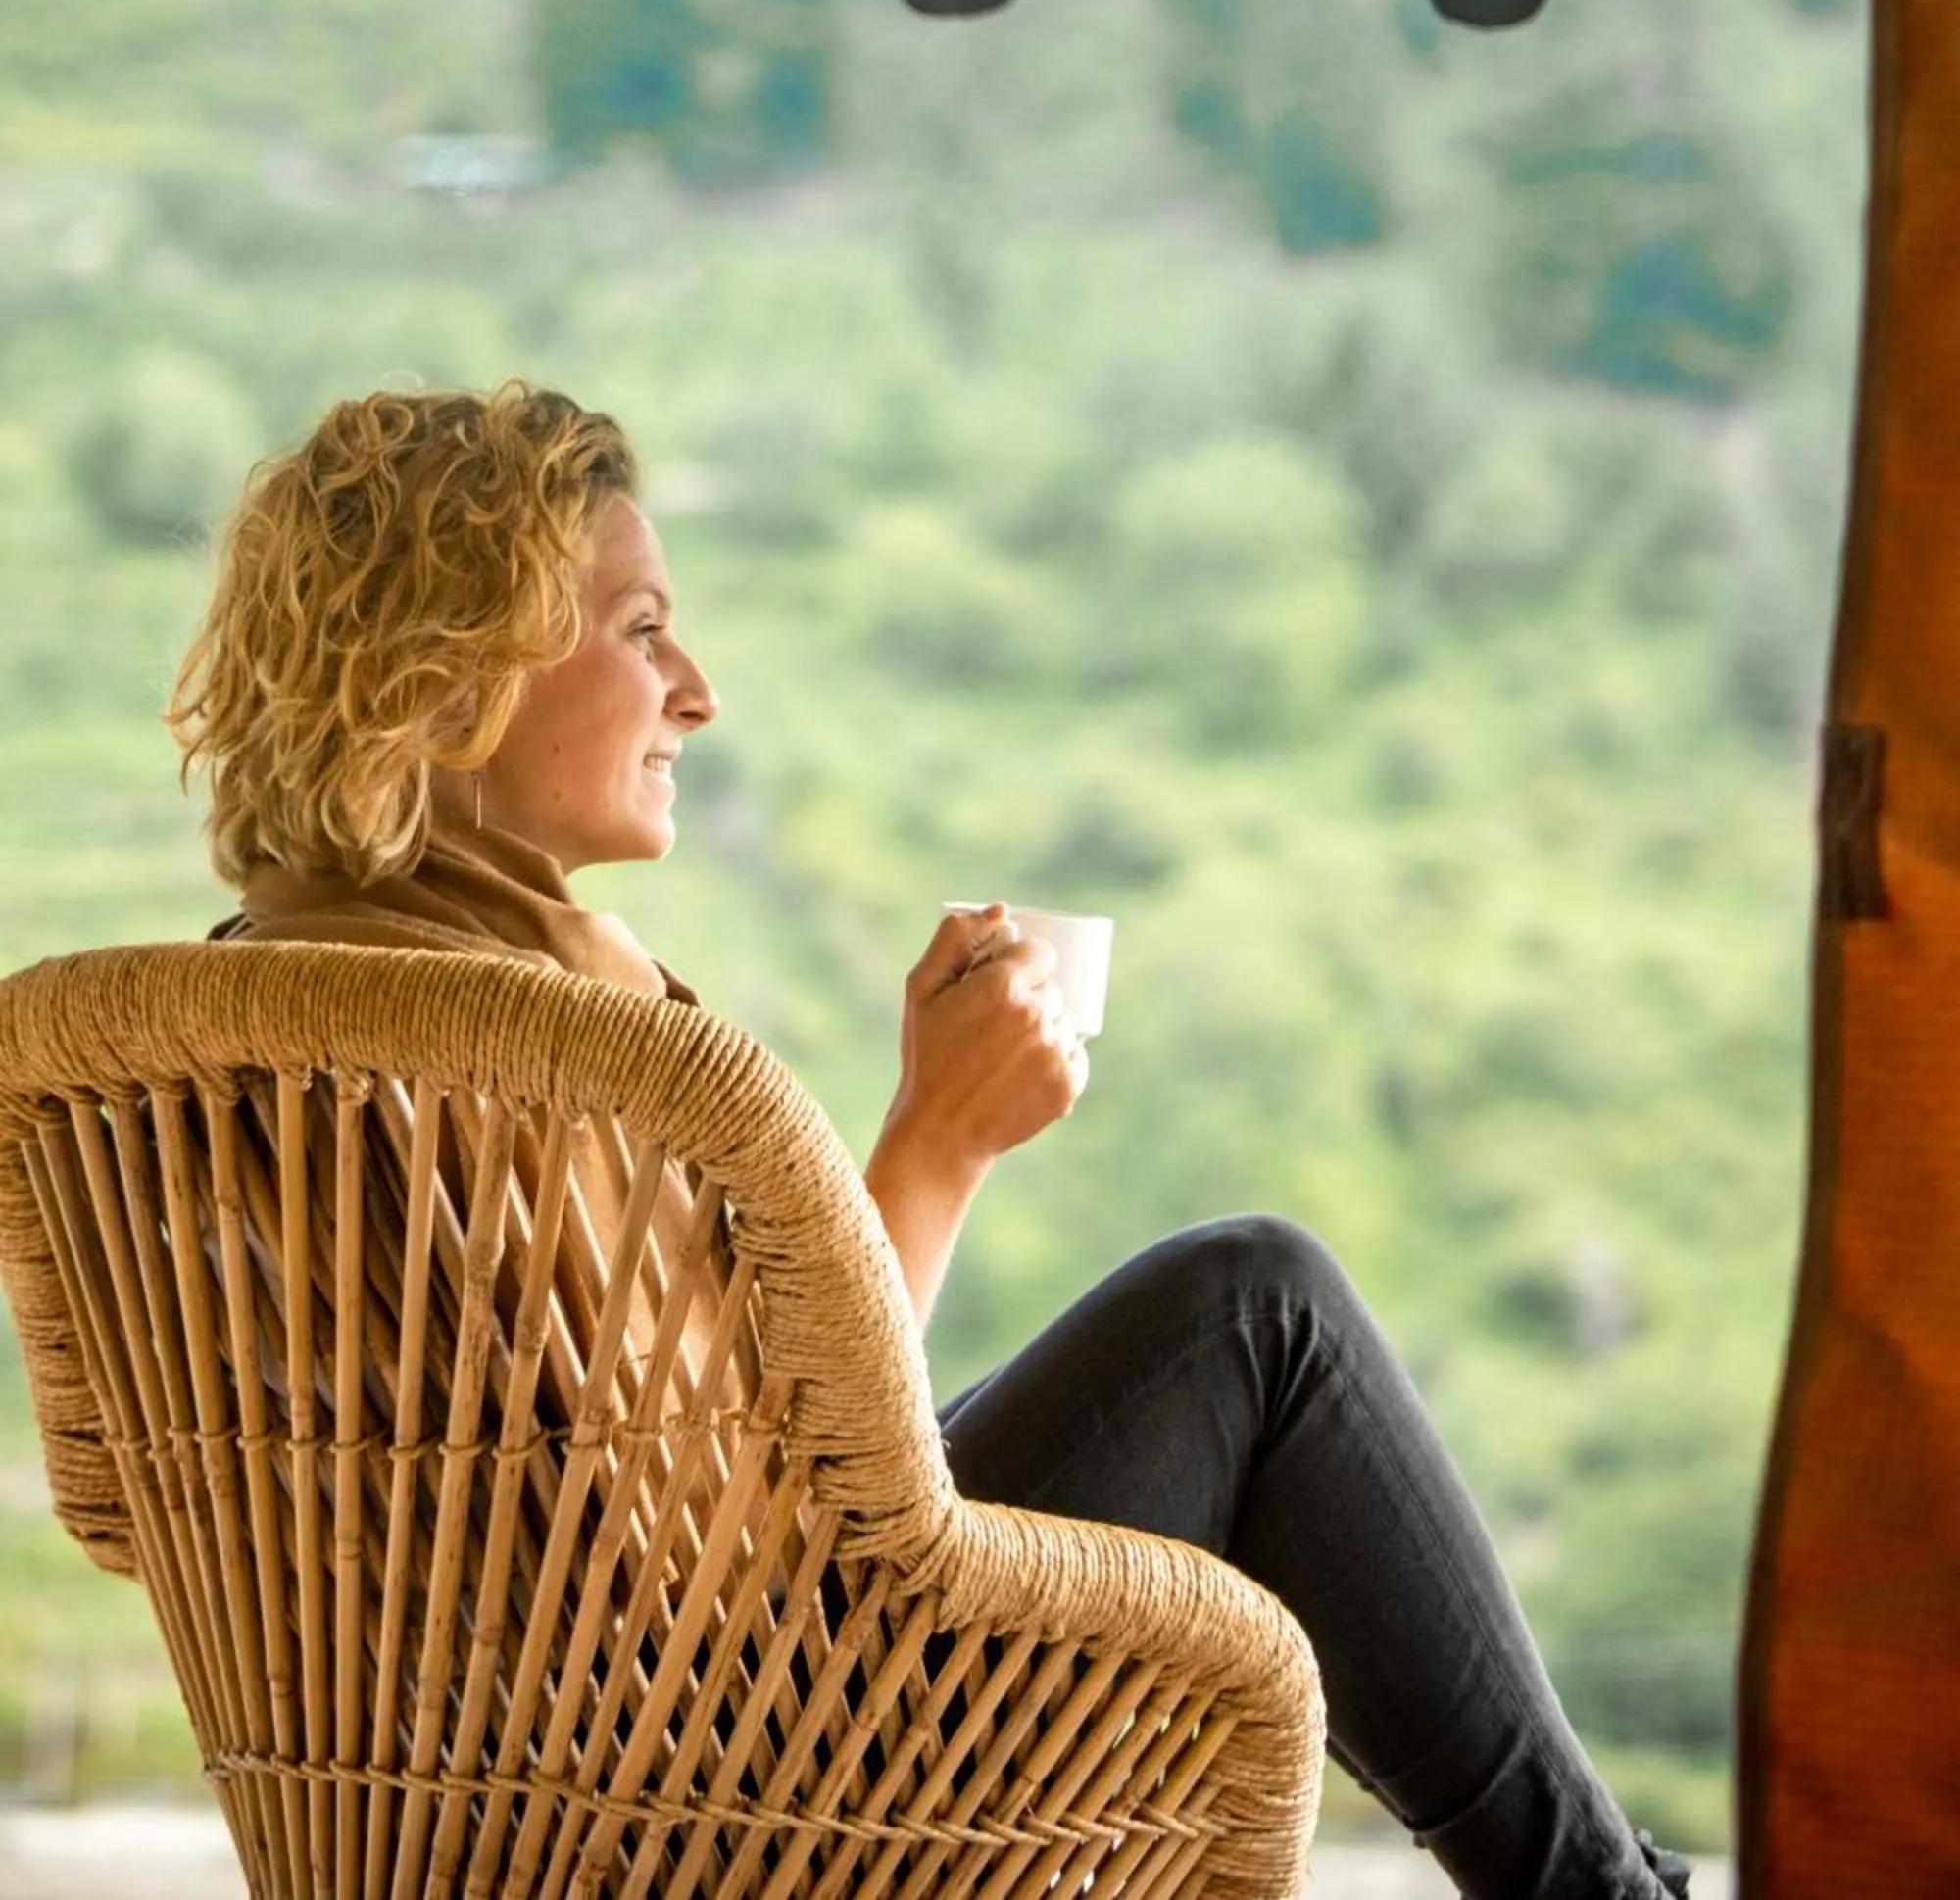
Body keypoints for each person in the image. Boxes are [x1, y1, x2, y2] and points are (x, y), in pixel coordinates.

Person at [172, 382, 1692, 1900]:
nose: (694, 691)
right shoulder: (514, 1039)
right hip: (729, 1809)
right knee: (1253, 1317)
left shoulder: (235, 1014)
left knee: (1212, 1352)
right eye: (641, 632)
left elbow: (138, 1502)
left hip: (431, 1824)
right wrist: (937, 1145)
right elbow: (729, 1545)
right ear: (446, 682)